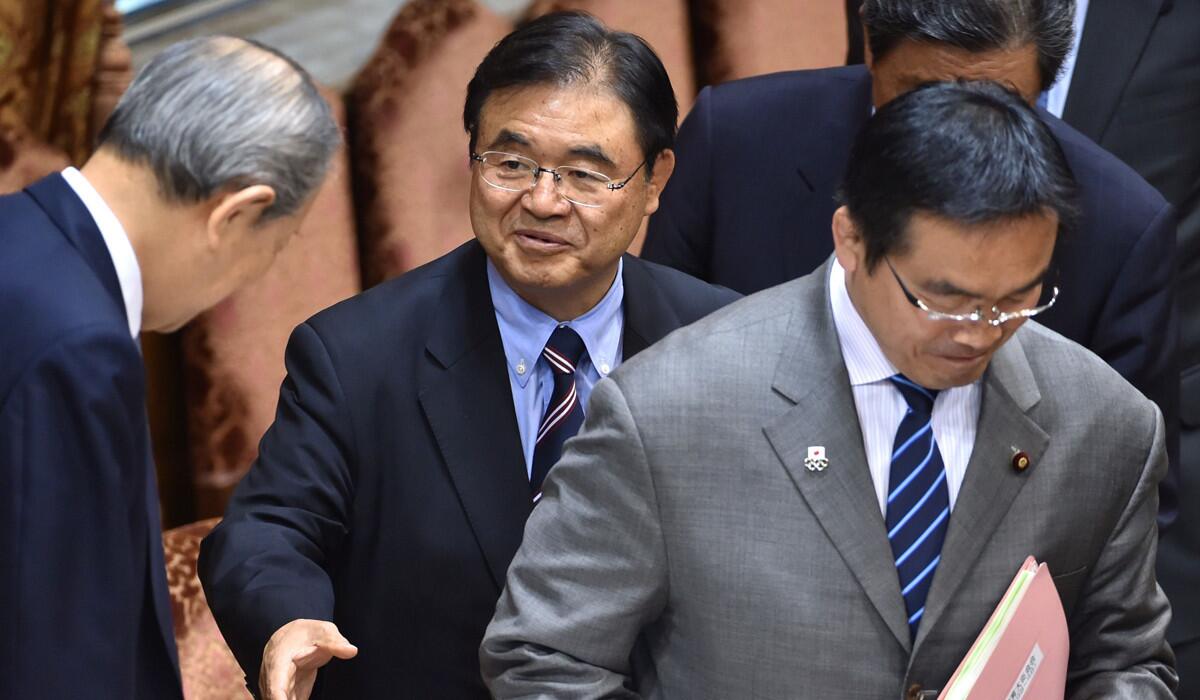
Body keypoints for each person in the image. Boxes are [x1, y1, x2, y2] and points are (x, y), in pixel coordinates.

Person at [482, 80, 1177, 698]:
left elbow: (1128, 662)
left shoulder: (1106, 424)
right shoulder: (671, 410)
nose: (978, 332)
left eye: (1016, 301)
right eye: (942, 299)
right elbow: (542, 659)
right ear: (850, 240)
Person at [198, 12, 737, 700]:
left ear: (655, 179)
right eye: (510, 164)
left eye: (583, 173)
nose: (542, 201)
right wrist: (287, 620)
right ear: (472, 155)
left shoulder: (723, 337)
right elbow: (266, 531)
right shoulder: (357, 356)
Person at [641, 0, 1180, 525]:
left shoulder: (1120, 227)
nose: (953, 140)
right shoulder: (734, 144)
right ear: (871, 48)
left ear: (1045, 87)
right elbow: (652, 388)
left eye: (998, 103)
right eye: (923, 98)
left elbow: (1129, 513)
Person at [0, 36, 339, 700]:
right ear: (237, 214)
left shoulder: (15, 233)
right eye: (276, 246)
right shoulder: (80, 349)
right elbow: (61, 657)